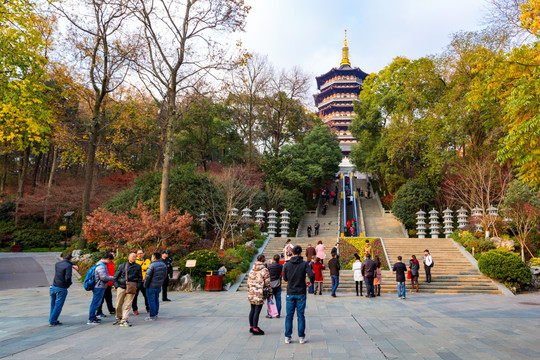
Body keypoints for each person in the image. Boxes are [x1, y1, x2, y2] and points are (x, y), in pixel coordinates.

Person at [283, 245, 315, 344]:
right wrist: (310, 282)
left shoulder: (287, 264)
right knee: (301, 315)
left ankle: (288, 337)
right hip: (301, 292)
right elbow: (312, 275)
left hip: (290, 292)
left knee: (289, 316)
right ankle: (301, 337)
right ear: (301, 253)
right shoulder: (304, 264)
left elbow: (285, 278)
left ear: (292, 253)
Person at [112, 252, 142, 327]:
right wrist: (117, 286)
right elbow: (115, 277)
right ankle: (118, 317)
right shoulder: (122, 266)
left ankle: (124, 319)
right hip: (121, 287)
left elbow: (140, 278)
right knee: (118, 303)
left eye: (135, 257)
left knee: (128, 304)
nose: (134, 258)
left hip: (132, 287)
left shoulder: (138, 266)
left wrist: (137, 286)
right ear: (128, 257)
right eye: (132, 257)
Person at [88, 254, 115, 325]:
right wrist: (113, 277)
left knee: (96, 302)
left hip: (98, 286)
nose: (110, 262)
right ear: (108, 259)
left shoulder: (99, 264)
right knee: (95, 303)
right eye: (110, 260)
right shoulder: (101, 266)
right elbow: (104, 277)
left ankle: (93, 317)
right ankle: (91, 319)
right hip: (99, 287)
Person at [248, 254, 271, 335]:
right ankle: (255, 328)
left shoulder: (252, 269)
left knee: (252, 310)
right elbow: (268, 282)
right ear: (263, 260)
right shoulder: (264, 270)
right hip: (259, 292)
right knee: (257, 311)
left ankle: (251, 327)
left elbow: (248, 282)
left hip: (252, 292)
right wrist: (270, 293)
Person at [49, 253, 74, 326]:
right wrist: (68, 284)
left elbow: (65, 263)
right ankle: (52, 321)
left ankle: (52, 319)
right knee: (58, 305)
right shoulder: (68, 266)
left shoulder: (57, 264)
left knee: (53, 305)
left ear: (63, 258)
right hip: (61, 288)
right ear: (70, 259)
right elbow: (68, 278)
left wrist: (72, 264)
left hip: (53, 286)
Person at [144, 252, 167, 320]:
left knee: (151, 301)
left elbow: (147, 277)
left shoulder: (152, 265)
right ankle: (156, 314)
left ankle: (152, 315)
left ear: (154, 257)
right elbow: (165, 276)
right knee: (156, 300)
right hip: (158, 286)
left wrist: (145, 285)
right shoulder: (163, 265)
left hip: (151, 286)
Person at [96, 252, 115, 318]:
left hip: (108, 283)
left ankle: (111, 309)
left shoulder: (111, 263)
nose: (114, 256)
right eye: (112, 255)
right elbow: (103, 276)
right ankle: (99, 311)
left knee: (109, 297)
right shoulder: (103, 264)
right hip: (103, 284)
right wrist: (113, 278)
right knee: (101, 299)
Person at [132, 249, 151, 315]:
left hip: (144, 281)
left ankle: (148, 308)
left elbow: (148, 267)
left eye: (141, 253)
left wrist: (140, 268)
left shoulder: (147, 260)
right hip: (136, 281)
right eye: (138, 253)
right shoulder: (134, 260)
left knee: (146, 295)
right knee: (134, 296)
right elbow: (134, 269)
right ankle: (135, 309)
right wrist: (143, 268)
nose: (140, 255)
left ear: (143, 253)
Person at [267, 254, 283, 318]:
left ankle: (270, 314)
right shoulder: (280, 266)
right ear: (279, 259)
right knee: (278, 299)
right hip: (278, 283)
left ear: (273, 259)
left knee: (270, 299)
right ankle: (278, 313)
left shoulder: (269, 266)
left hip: (270, 283)